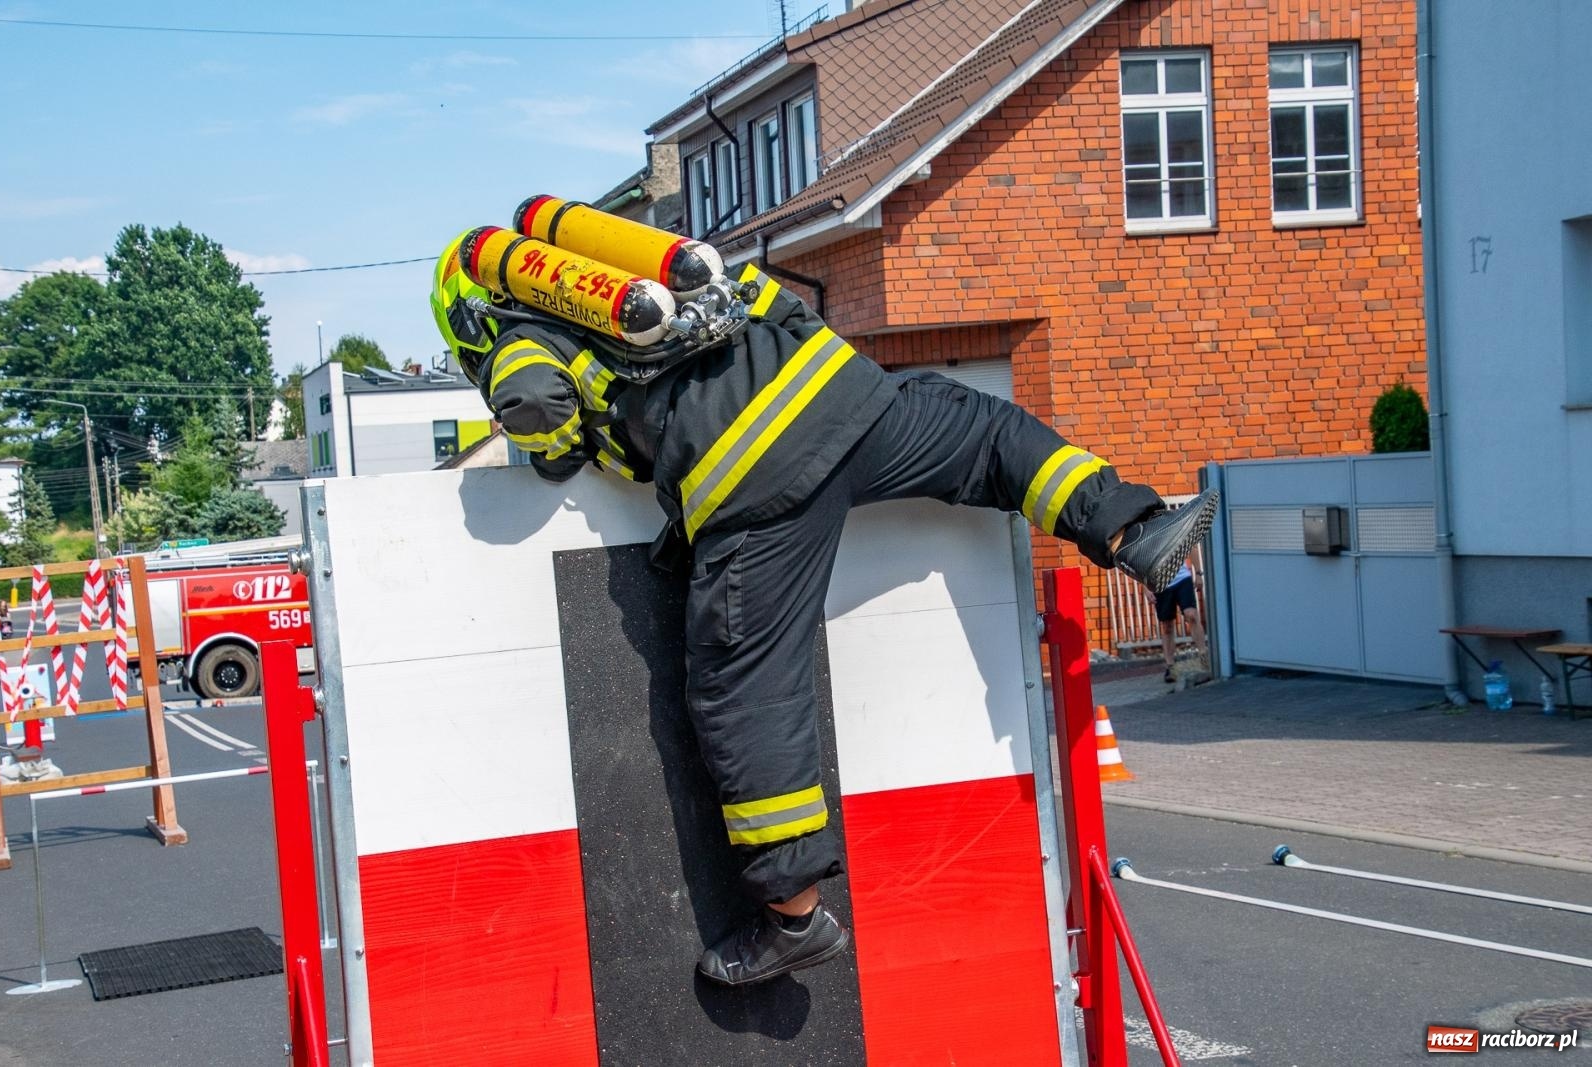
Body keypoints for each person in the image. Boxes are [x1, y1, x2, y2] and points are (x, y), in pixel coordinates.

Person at [432, 218, 1219, 987]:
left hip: (751, 473)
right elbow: (754, 293)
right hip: (841, 390)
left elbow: (536, 401)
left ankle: (795, 920)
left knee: (743, 692)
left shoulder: (518, 330)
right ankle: (1134, 530)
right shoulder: (639, 268)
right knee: (986, 434)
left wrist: (551, 451)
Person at [1155, 553, 1207, 683]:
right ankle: (1170, 666)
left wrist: (1199, 574)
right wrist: (1145, 588)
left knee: (1192, 615)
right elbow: (1140, 560)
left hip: (1182, 578)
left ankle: (1204, 656)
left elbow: (1191, 546)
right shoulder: (1146, 534)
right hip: (1159, 583)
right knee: (1167, 626)